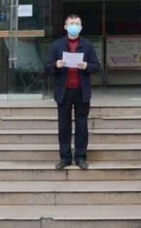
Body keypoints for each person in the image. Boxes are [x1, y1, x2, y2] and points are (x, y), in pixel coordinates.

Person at [45, 14, 101, 170]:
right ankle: (65, 157)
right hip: (63, 91)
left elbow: (97, 66)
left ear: (81, 27)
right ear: (65, 27)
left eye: (77, 23)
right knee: (64, 126)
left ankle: (81, 157)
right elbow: (47, 67)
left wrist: (87, 66)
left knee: (82, 125)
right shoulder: (57, 45)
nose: (74, 26)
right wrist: (56, 65)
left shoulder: (87, 45)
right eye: (71, 23)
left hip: (82, 91)